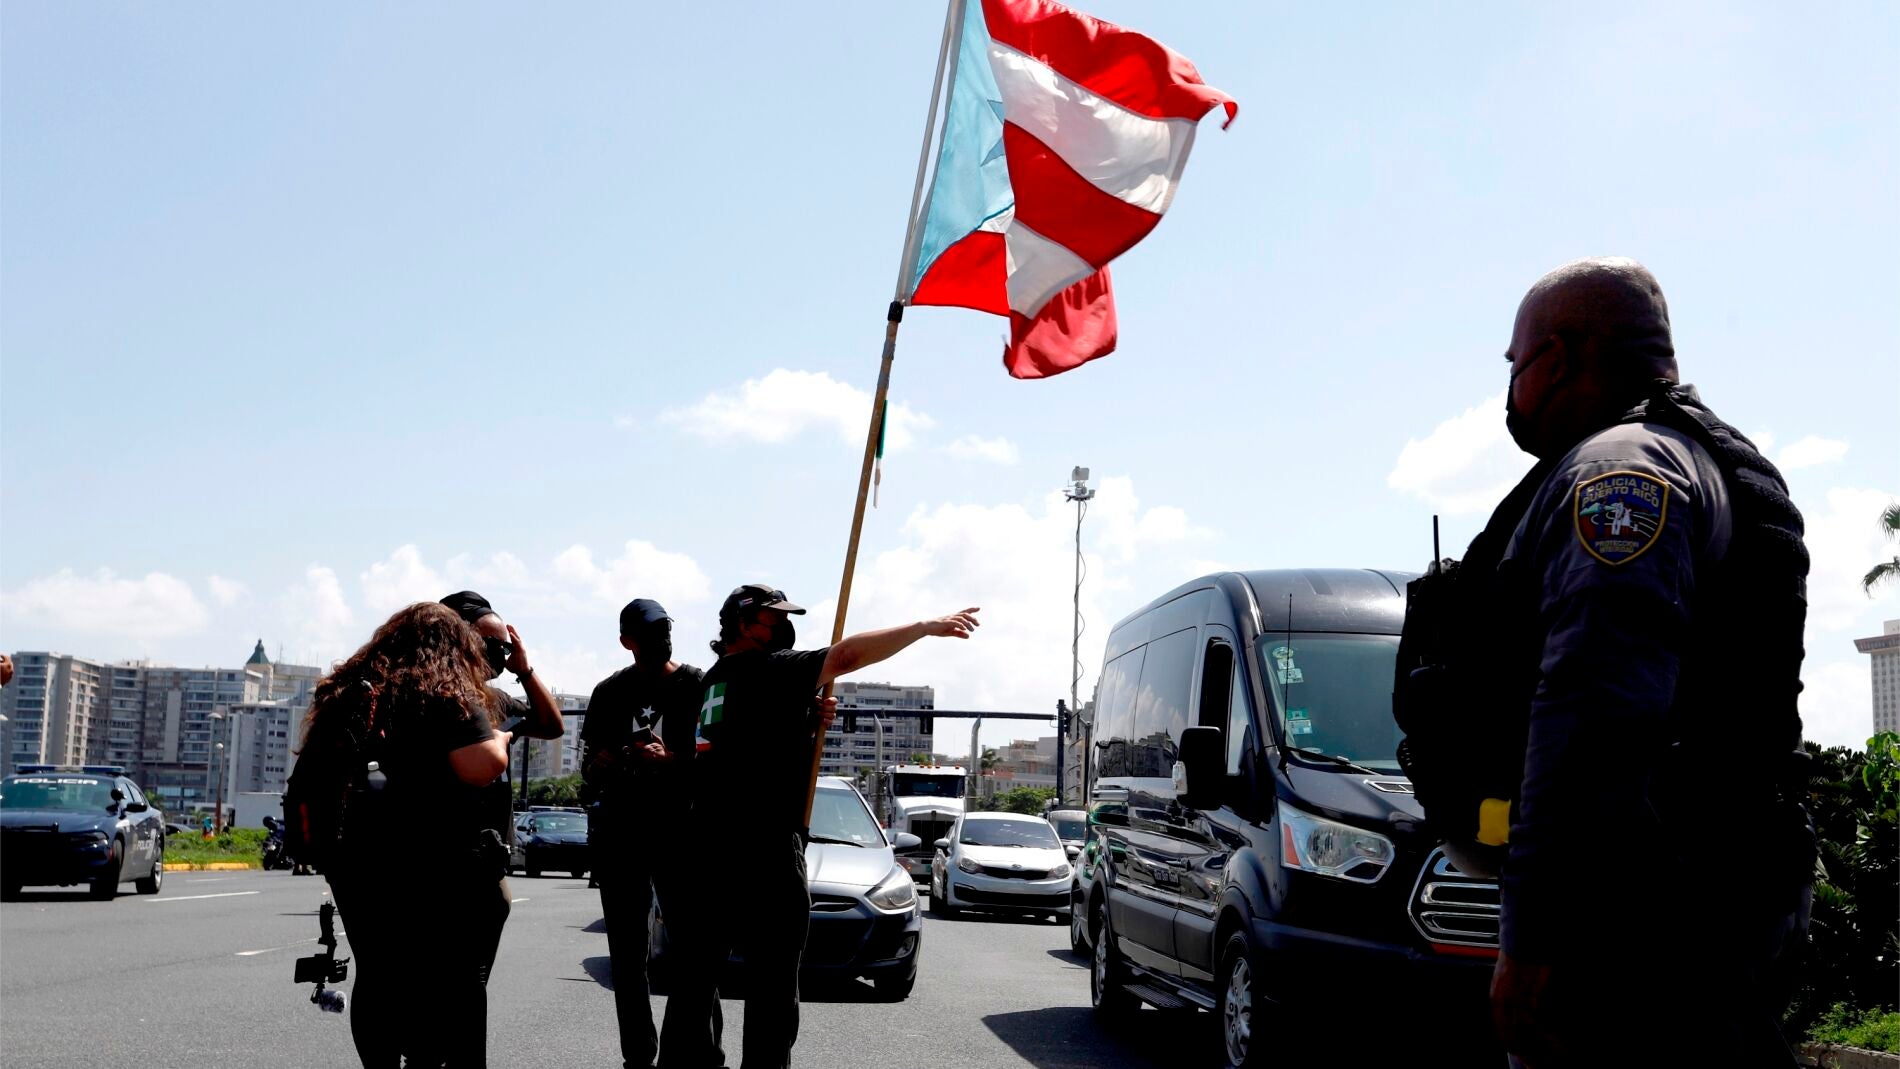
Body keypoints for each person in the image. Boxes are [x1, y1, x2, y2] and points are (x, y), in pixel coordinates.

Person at [1450, 259, 1813, 1067]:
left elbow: (1593, 707)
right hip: (1708, 905)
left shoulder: (1623, 473)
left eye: (1515, 364)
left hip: (1630, 929)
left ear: (1556, 359)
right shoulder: (1705, 460)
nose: (1511, 387)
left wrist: (1535, 933)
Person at [674, 584, 980, 1069]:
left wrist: (805, 719)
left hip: (708, 841)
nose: (784, 627)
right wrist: (924, 627)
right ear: (743, 623)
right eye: (774, 619)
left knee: (697, 973)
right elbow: (847, 656)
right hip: (763, 845)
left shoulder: (717, 680)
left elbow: (749, 744)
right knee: (772, 978)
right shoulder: (766, 668)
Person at [293, 601, 516, 1067]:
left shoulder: (351, 690)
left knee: (377, 973)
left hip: (351, 858)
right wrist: (499, 740)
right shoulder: (447, 690)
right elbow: (480, 766)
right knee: (443, 977)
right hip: (427, 858)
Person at [580, 598, 721, 1069]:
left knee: (695, 953)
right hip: (622, 836)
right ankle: (637, 1057)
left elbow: (719, 765)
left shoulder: (698, 685)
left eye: (666, 629)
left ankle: (703, 1053)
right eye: (651, 632)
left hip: (683, 835)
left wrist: (671, 762)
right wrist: (601, 764)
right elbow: (588, 772)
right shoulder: (609, 692)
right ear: (628, 642)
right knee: (626, 956)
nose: (662, 638)